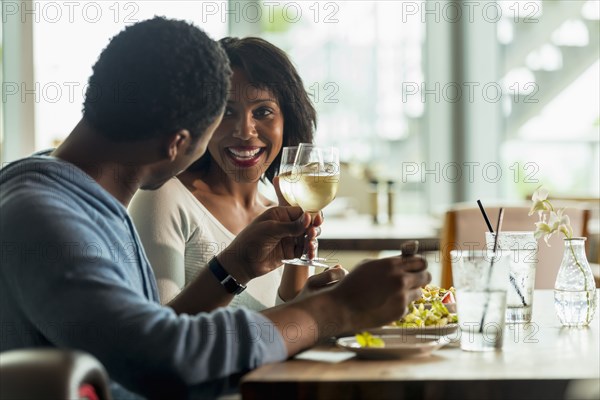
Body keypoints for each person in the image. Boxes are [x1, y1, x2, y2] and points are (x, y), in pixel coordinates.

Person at [0, 17, 430, 399]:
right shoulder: (46, 218)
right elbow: (162, 360)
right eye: (216, 126)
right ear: (178, 143)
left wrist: (236, 265)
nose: (241, 136)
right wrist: (337, 309)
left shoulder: (76, 198)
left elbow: (154, 332)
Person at [129, 37, 319, 308]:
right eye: (226, 111)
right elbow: (159, 338)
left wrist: (319, 298)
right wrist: (234, 268)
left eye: (263, 111)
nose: (244, 131)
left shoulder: (283, 213)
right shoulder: (163, 198)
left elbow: (287, 334)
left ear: (288, 120)